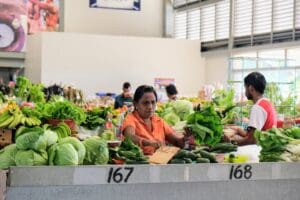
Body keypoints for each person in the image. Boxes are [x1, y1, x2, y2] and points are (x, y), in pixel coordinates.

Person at [121, 85, 184, 155]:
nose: (150, 107)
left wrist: (185, 139)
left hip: (160, 162)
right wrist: (149, 142)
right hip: (140, 164)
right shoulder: (130, 119)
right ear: (136, 104)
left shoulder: (159, 121)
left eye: (153, 102)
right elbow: (130, 137)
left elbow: (176, 142)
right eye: (146, 103)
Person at [228, 72, 277, 146]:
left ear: (251, 88)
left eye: (245, 88)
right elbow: (252, 134)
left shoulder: (258, 108)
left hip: (259, 149)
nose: (245, 91)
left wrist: (230, 143)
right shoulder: (266, 103)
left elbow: (252, 140)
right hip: (266, 146)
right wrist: (238, 129)